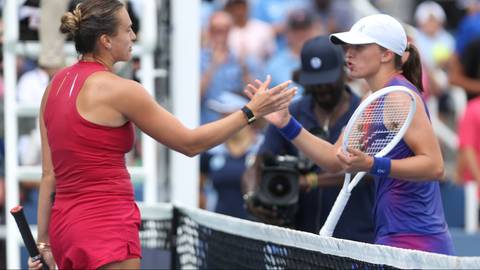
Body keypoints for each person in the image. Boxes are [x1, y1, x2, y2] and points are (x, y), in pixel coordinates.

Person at [27, 1, 296, 269]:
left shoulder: (54, 86)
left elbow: (49, 175)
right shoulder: (122, 90)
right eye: (128, 29)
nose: (133, 36)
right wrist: (250, 111)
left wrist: (44, 243)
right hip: (105, 229)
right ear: (106, 40)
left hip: (64, 230)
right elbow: (189, 143)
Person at [245, 14, 454, 255]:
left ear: (386, 54)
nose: (348, 54)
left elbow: (435, 167)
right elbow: (335, 159)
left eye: (359, 47)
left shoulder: (399, 96)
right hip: (391, 235)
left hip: (417, 240)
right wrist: (287, 124)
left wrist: (374, 164)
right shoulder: (370, 99)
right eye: (348, 47)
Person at [243, 36, 375, 242]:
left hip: (355, 238)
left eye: (327, 80)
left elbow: (368, 172)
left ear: (343, 72)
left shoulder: (364, 111)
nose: (322, 88)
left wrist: (309, 181)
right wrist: (254, 197)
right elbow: (259, 163)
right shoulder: (290, 113)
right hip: (302, 240)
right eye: (316, 83)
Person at [200, 92, 264, 219]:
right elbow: (199, 188)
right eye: (221, 115)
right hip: (217, 229)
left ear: (248, 117)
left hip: (256, 230)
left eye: (228, 115)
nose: (222, 121)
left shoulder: (264, 148)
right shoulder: (210, 152)